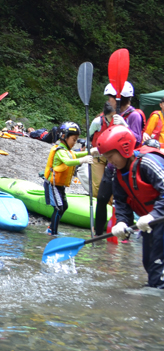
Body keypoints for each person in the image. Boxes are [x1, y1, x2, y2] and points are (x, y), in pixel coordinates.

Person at [98, 126, 164, 288]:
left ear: (124, 148)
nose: (109, 161)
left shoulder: (147, 163)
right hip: (151, 223)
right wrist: (121, 222)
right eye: (107, 157)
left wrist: (153, 215)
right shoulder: (118, 175)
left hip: (158, 218)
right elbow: (121, 203)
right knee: (149, 263)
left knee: (157, 268)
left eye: (111, 156)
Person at [42, 122, 93, 235]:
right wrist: (83, 160)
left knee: (64, 206)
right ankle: (52, 232)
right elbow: (68, 161)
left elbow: (75, 154)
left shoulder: (67, 151)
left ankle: (51, 228)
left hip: (60, 185)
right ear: (64, 137)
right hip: (53, 184)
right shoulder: (60, 151)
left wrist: (90, 152)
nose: (74, 143)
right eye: (73, 140)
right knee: (59, 207)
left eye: (76, 140)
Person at [89, 102, 128, 236]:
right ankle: (98, 232)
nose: (113, 118)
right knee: (99, 192)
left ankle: (117, 220)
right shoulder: (97, 121)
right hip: (100, 156)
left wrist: (123, 124)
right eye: (110, 116)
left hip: (115, 161)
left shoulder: (122, 121)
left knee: (117, 193)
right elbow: (90, 136)